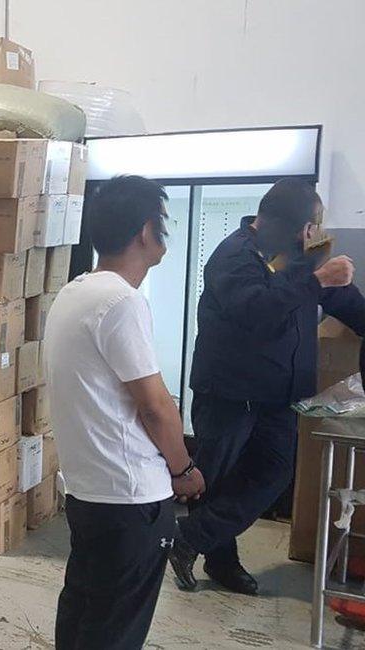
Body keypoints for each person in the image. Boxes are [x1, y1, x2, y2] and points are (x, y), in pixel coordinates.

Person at [169, 179, 365, 595]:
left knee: (272, 475)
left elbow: (340, 300)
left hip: (279, 394)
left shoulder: (304, 254)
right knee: (215, 481)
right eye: (313, 226)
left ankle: (187, 539)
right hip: (229, 392)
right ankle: (221, 561)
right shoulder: (234, 254)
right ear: (300, 226)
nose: (316, 234)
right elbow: (255, 309)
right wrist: (316, 281)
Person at [47, 175, 205, 650]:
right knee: (114, 630)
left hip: (89, 493)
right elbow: (156, 408)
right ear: (144, 232)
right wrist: (185, 469)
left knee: (83, 613)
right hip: (130, 497)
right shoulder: (121, 301)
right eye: (163, 223)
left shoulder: (75, 292)